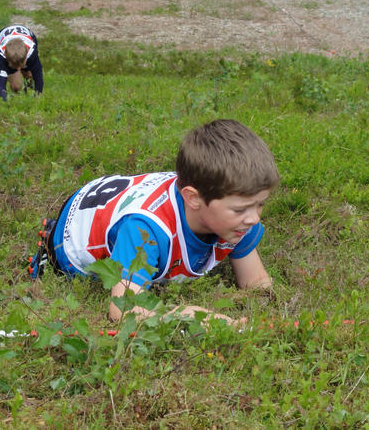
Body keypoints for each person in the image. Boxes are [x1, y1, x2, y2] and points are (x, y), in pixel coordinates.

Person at [28, 119, 280, 325]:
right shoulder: (145, 231)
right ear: (193, 198)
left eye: (260, 204)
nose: (254, 218)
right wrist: (189, 316)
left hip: (124, 197)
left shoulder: (239, 220)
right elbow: (123, 311)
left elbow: (256, 282)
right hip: (71, 238)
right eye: (240, 209)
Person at [0, 25, 44, 101]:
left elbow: (38, 76)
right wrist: (5, 101)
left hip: (28, 37)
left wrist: (37, 95)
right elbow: (0, 84)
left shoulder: (32, 53)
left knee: (30, 75)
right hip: (0, 37)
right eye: (15, 66)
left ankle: (29, 87)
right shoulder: (2, 56)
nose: (19, 68)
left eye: (20, 66)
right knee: (17, 87)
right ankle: (21, 94)